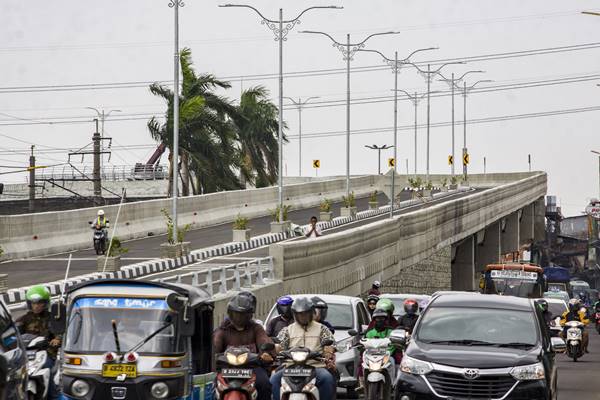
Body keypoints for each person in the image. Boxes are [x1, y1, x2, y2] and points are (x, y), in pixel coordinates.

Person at [271, 297, 336, 400]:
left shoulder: (322, 328)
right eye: (300, 314)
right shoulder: (287, 330)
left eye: (305, 313)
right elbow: (279, 345)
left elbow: (330, 343)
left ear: (311, 313)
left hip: (315, 366)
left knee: (327, 378)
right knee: (274, 379)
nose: (303, 316)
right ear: (295, 314)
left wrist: (328, 351)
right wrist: (275, 350)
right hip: (291, 367)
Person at [213, 294, 274, 400]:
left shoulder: (256, 328)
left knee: (265, 384)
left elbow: (264, 339)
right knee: (212, 386)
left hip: (252, 368)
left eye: (242, 314)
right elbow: (215, 344)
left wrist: (265, 351)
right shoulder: (223, 330)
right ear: (230, 313)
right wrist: (214, 353)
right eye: (236, 314)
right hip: (227, 369)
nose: (239, 317)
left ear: (249, 315)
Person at [16, 286, 61, 399]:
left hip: (47, 353)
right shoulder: (23, 319)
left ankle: (54, 396)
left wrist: (57, 339)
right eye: (33, 303)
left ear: (45, 303)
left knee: (48, 370)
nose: (36, 306)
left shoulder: (52, 318)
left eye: (39, 303)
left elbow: (59, 333)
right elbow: (13, 334)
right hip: (26, 354)